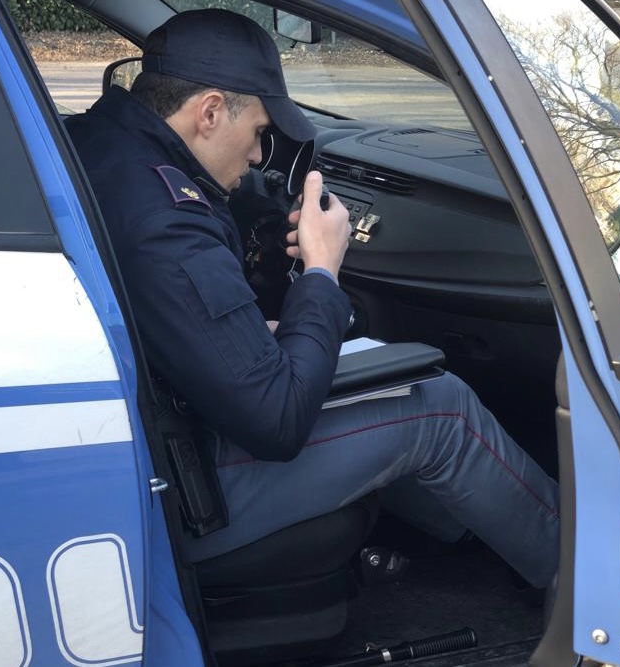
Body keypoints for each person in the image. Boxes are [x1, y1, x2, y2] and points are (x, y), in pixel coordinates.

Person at [65, 8, 559, 589]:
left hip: (153, 437)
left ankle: (472, 529)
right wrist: (322, 270)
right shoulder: (168, 224)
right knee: (440, 406)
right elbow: (277, 423)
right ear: (210, 112)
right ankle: (586, 572)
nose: (258, 156)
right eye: (258, 132)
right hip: (187, 489)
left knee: (369, 366)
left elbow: (170, 321)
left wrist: (260, 332)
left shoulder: (100, 142)